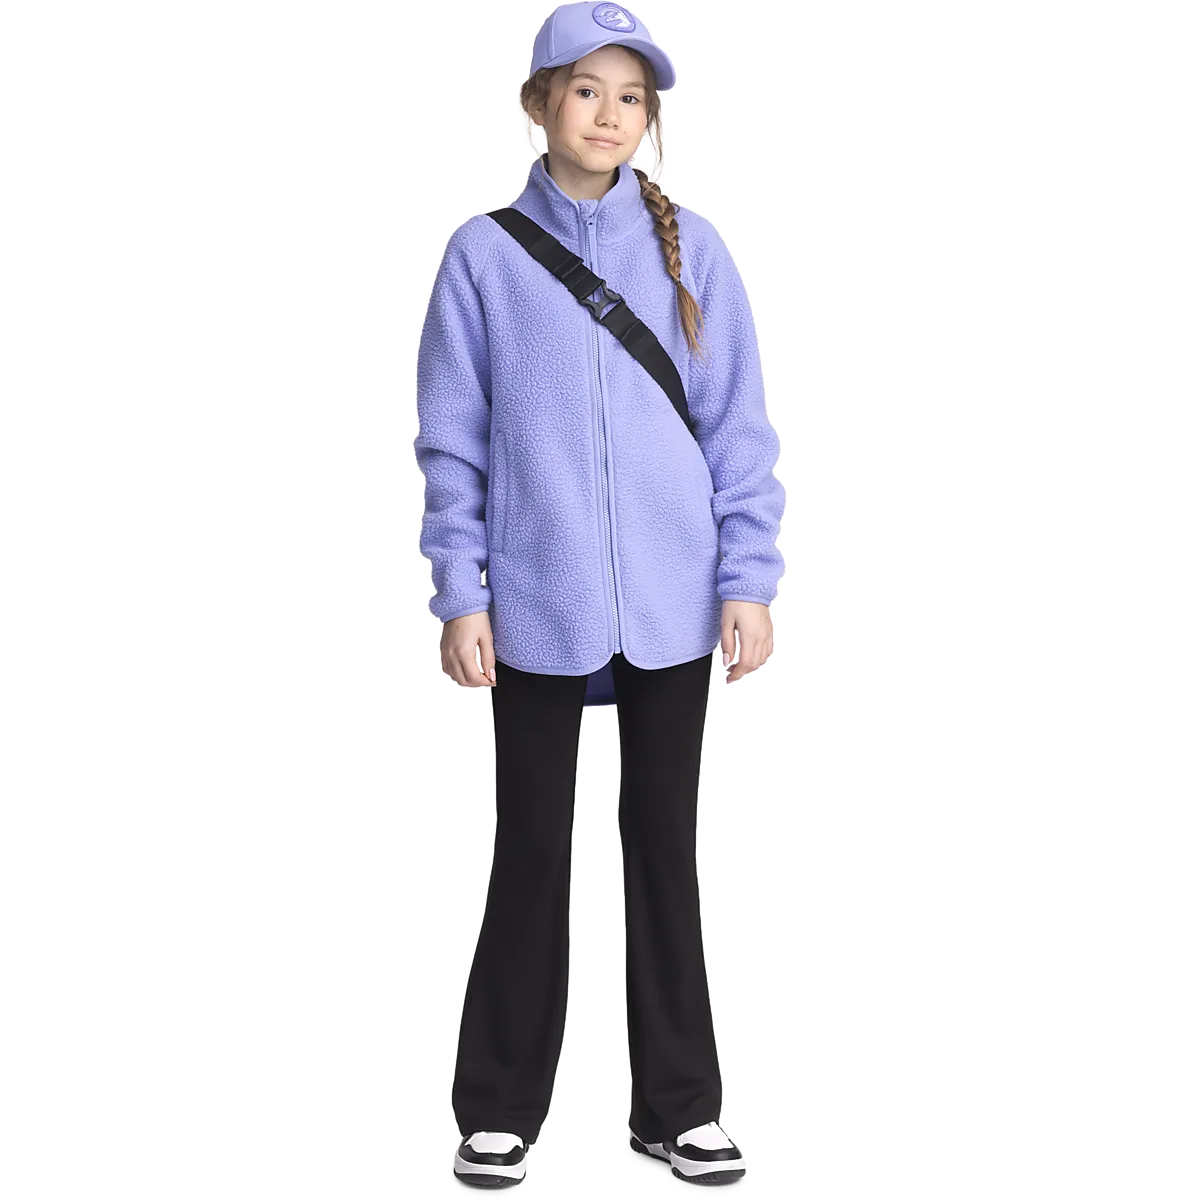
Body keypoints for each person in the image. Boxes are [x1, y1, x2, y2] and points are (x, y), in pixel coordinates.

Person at [415, 2, 784, 1188]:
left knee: (665, 853)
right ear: (539, 106)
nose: (611, 116)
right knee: (531, 848)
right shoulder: (482, 256)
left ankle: (679, 1110)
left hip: (677, 597)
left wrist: (749, 577)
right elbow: (453, 443)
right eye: (587, 92)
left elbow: (738, 429)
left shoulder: (695, 248)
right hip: (535, 599)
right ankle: (496, 1109)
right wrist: (461, 591)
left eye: (633, 98)